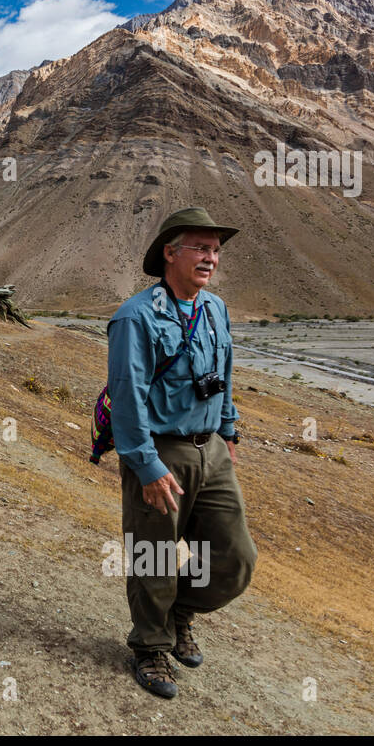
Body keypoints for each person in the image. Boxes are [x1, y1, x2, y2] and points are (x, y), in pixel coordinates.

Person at [106, 207, 257, 699]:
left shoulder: (215, 308)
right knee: (153, 554)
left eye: (215, 250)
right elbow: (126, 396)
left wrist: (229, 429)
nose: (210, 258)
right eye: (200, 247)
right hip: (159, 451)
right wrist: (145, 465)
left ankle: (178, 612)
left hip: (210, 448)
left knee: (233, 558)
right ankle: (150, 646)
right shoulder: (136, 316)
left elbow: (225, 371)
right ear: (170, 254)